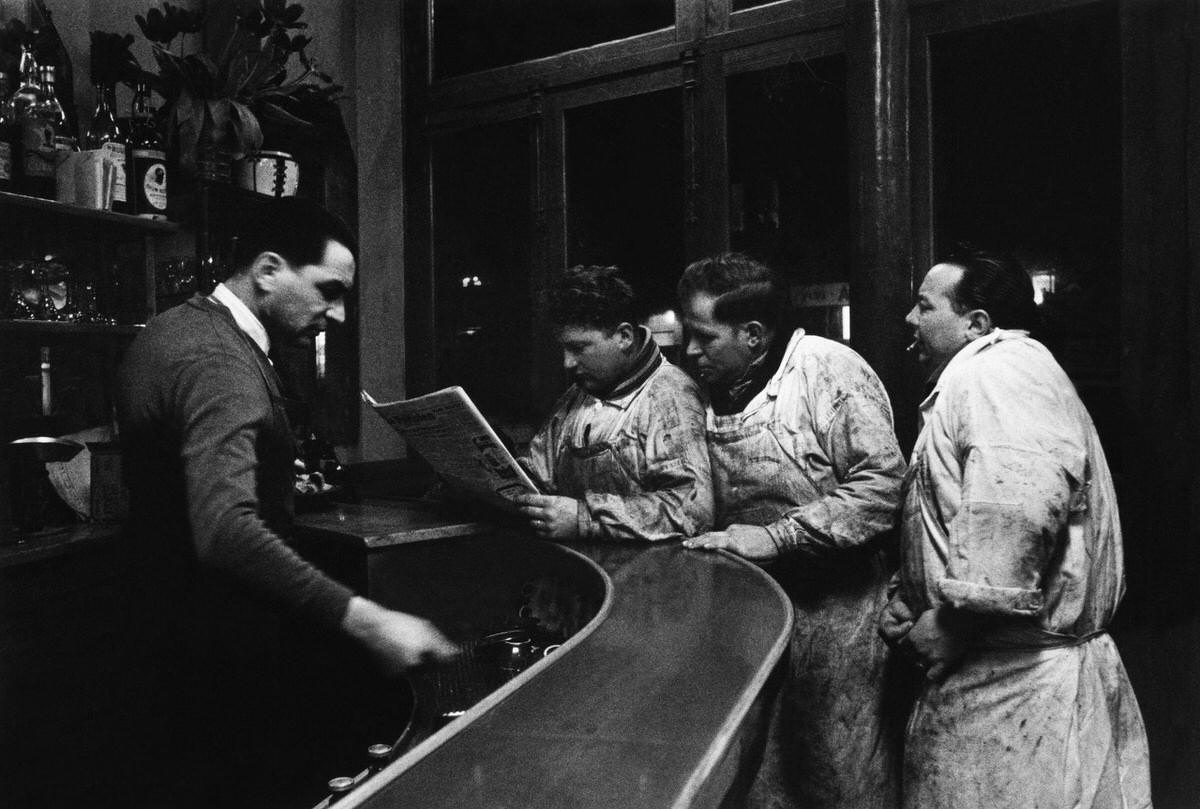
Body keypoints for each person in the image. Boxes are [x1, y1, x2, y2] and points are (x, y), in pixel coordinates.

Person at [116, 198, 457, 807]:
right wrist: (371, 621)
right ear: (268, 270)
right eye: (328, 290)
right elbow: (225, 530)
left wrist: (274, 470)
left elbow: (175, 464)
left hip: (160, 630)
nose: (339, 313)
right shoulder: (220, 359)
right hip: (216, 650)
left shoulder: (177, 328)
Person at [880, 247, 1151, 808]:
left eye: (924, 306)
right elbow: (953, 515)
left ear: (976, 324)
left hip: (1018, 685)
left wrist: (957, 622)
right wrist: (913, 594)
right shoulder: (978, 377)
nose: (910, 320)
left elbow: (1018, 507)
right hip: (1001, 680)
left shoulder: (1000, 369)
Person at [679, 253, 907, 809]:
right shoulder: (709, 388)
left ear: (754, 335)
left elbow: (884, 485)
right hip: (756, 619)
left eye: (703, 337)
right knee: (763, 780)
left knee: (839, 775)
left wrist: (777, 537)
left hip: (840, 619)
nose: (689, 351)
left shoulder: (827, 370)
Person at [515, 264, 713, 542]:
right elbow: (539, 472)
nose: (568, 363)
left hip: (654, 574)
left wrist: (584, 517)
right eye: (564, 349)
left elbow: (692, 510)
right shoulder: (579, 394)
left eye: (579, 348)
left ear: (624, 337)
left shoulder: (670, 397)